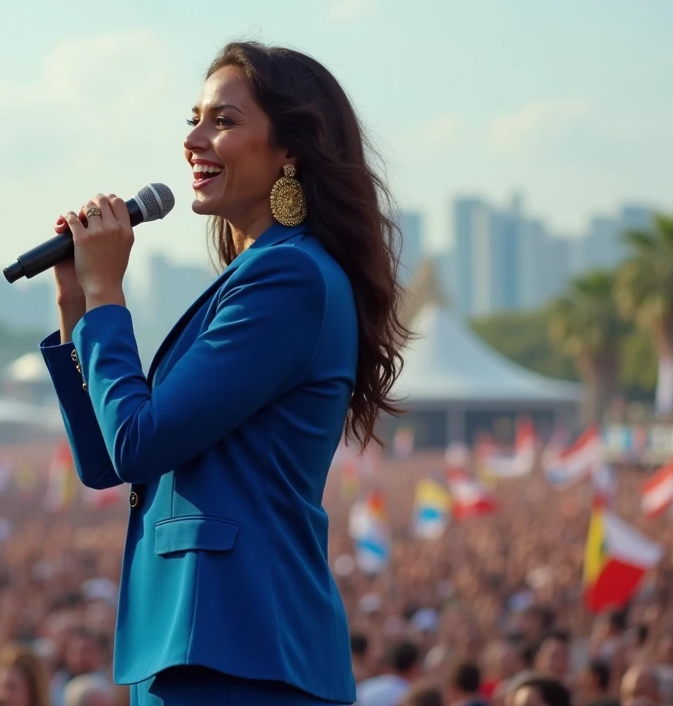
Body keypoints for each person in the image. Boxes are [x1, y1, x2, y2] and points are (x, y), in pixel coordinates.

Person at [40, 41, 407, 704]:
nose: (194, 139)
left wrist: (108, 298)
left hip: (240, 646)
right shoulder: (253, 278)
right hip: (189, 648)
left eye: (224, 121)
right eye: (194, 117)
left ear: (291, 149)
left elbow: (139, 440)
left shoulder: (289, 276)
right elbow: (106, 461)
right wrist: (75, 308)